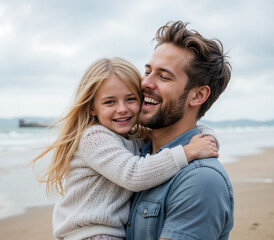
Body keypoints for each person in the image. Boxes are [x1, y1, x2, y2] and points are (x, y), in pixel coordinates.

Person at [32, 57, 220, 240]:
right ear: (92, 108)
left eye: (130, 99)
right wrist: (188, 151)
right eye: (110, 102)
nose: (122, 109)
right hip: (93, 234)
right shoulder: (94, 137)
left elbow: (179, 129)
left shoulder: (133, 138)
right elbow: (134, 175)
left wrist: (206, 136)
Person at [125, 21, 234, 240]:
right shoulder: (134, 157)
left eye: (163, 76)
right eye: (147, 71)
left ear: (198, 95)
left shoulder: (201, 179)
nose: (145, 83)